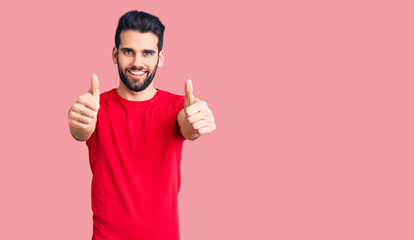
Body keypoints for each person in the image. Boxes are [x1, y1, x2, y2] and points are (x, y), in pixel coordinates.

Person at [67, 10, 216, 240]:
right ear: (115, 54)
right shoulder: (96, 107)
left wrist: (194, 123)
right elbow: (81, 130)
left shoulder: (177, 106)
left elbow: (186, 125)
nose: (137, 62)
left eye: (147, 53)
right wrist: (79, 124)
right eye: (128, 51)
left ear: (160, 57)